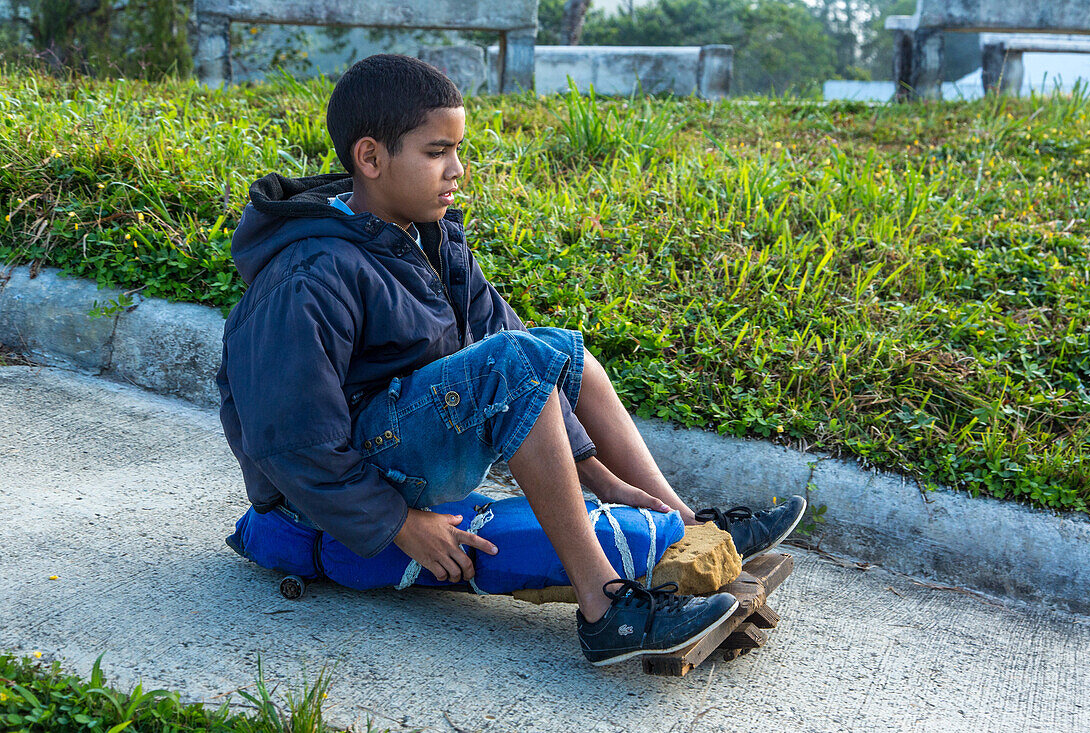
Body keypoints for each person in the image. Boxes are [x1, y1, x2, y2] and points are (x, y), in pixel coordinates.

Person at [216, 54, 805, 666]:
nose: (458, 171)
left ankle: (689, 524)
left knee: (559, 350)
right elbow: (287, 441)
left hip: (393, 449)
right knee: (515, 366)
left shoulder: (422, 236)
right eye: (437, 152)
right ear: (371, 158)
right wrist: (399, 524)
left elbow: (522, 352)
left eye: (457, 150)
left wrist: (599, 476)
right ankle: (607, 612)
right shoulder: (309, 275)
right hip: (323, 493)